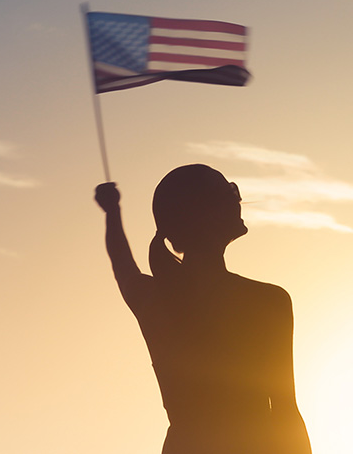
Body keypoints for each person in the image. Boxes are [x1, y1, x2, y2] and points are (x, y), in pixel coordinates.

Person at [94, 164, 311, 454]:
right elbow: (286, 411)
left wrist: (112, 211)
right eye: (228, 192)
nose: (237, 199)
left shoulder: (154, 300)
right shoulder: (269, 301)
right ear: (205, 214)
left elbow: (122, 263)